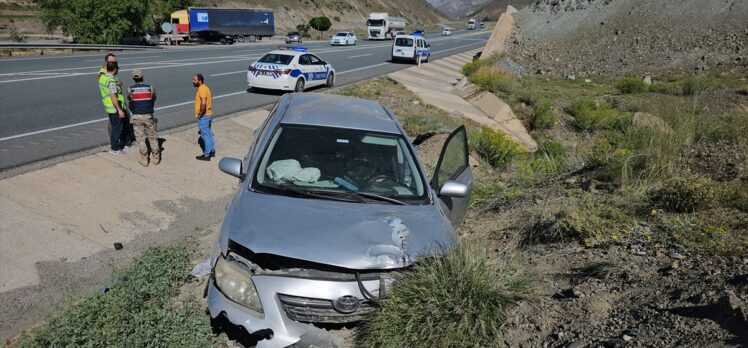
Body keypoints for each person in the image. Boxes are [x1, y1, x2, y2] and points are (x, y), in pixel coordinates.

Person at [127, 69, 161, 166]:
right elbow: (154, 99)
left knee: (140, 138)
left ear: (133, 78)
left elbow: (130, 101)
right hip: (148, 115)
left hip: (137, 116)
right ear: (142, 77)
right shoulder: (150, 88)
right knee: (152, 136)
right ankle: (156, 157)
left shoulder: (130, 89)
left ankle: (145, 159)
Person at [99, 61, 128, 155]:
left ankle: (114, 145)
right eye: (117, 69)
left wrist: (117, 83)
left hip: (108, 107)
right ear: (115, 69)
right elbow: (113, 96)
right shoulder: (111, 81)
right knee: (117, 128)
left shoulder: (103, 77)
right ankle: (115, 148)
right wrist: (119, 110)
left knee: (115, 126)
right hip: (114, 107)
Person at [193, 73, 214, 161]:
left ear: (200, 81)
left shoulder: (202, 89)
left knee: (205, 135)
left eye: (194, 80)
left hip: (204, 116)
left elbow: (204, 103)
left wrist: (200, 114)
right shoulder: (205, 88)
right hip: (208, 115)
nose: (193, 81)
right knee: (209, 134)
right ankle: (211, 151)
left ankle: (206, 155)